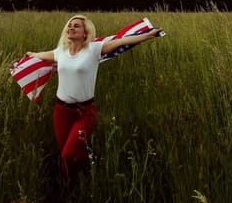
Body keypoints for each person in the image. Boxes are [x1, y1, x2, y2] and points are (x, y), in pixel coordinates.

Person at [26, 14, 162, 183]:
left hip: (85, 113)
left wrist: (149, 35)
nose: (71, 28)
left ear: (85, 32)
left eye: (76, 26)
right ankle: (77, 181)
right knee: (67, 154)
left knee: (68, 155)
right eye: (69, 26)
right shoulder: (60, 52)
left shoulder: (94, 49)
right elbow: (41, 55)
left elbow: (123, 41)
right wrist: (29, 54)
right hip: (61, 112)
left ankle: (76, 181)